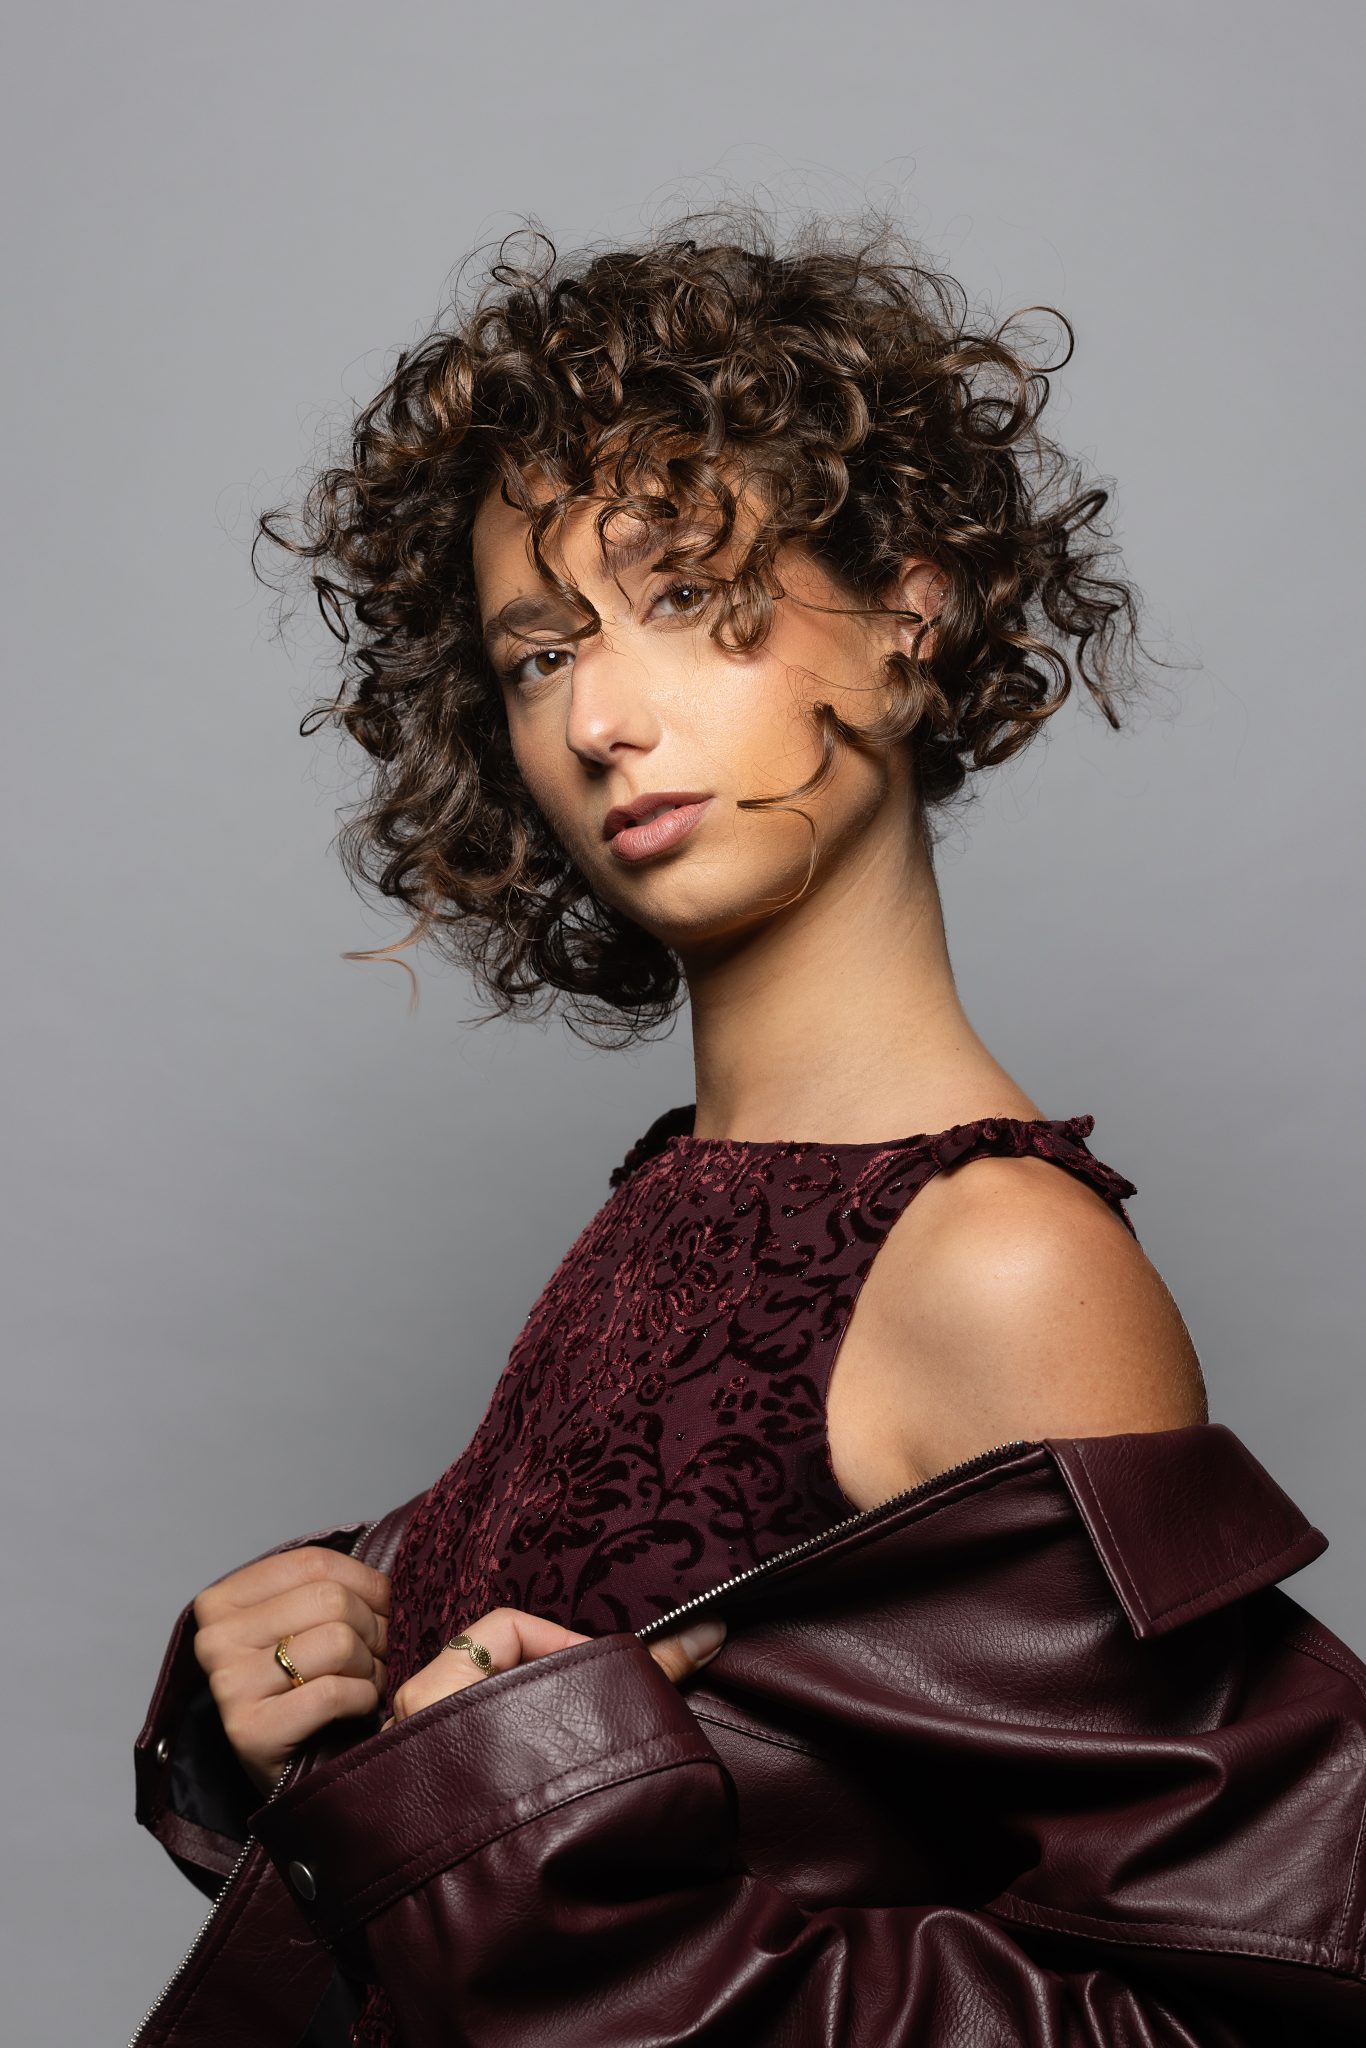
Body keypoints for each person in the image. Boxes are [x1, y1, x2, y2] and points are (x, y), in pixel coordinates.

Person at [176, 206, 1225, 2046]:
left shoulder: (997, 1266)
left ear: (908, 616)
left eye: (679, 597)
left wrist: (546, 1855)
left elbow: (1199, 2011)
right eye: (535, 655)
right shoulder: (676, 1201)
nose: (597, 716)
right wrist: (305, 1723)